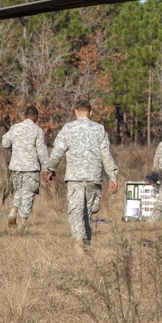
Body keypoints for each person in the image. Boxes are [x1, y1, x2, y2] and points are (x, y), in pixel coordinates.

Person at [45, 100, 119, 251]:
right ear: (91, 113)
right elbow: (106, 154)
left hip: (74, 177)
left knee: (76, 210)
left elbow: (58, 152)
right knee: (88, 211)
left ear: (75, 112)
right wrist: (113, 176)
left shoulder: (68, 128)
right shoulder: (99, 129)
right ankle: (86, 241)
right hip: (93, 176)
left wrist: (51, 169)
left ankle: (79, 240)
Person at [2, 105, 49, 229]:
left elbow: (5, 143)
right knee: (28, 193)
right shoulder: (37, 130)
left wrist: (15, 148)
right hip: (31, 167)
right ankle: (22, 223)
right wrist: (46, 169)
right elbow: (42, 151)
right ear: (35, 116)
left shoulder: (15, 128)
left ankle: (13, 210)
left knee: (18, 191)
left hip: (16, 166)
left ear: (25, 115)